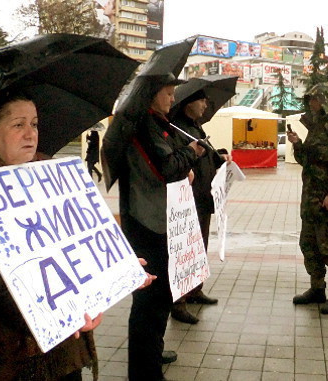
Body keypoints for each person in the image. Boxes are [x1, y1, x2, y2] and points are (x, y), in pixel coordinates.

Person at [0, 93, 156, 380]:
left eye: (35, 124)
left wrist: (119, 268)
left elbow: (83, 237)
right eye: (18, 125)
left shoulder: (51, 175)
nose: (30, 134)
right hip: (10, 358)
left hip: (66, 352)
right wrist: (62, 317)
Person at [118, 74, 205, 380]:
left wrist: (185, 166)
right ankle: (144, 371)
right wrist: (190, 154)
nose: (172, 99)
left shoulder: (158, 123)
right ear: (152, 95)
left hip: (159, 219)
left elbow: (169, 166)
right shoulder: (143, 125)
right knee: (149, 302)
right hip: (147, 225)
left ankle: (152, 353)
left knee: (159, 299)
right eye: (167, 93)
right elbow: (166, 168)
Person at [287, 84, 328, 315]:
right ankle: (317, 288)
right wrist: (297, 143)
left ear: (325, 100)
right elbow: (307, 160)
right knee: (309, 246)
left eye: (314, 99)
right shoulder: (315, 126)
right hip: (312, 201)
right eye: (309, 100)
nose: (310, 103)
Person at [169, 90, 228, 324]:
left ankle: (195, 290)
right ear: (187, 103)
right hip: (186, 202)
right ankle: (178, 302)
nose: (205, 104)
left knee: (199, 249)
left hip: (203, 199)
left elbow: (208, 156)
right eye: (201, 100)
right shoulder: (177, 129)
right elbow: (177, 161)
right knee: (185, 251)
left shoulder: (196, 127)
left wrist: (219, 156)